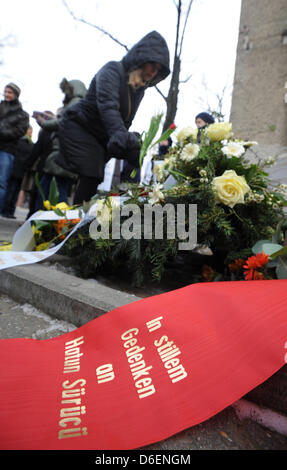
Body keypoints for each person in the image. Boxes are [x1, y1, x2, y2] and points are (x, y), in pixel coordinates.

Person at [56, 30, 170, 205]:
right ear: (142, 59)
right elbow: (108, 107)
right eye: (152, 65)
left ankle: (78, 220)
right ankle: (72, 222)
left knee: (94, 178)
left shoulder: (138, 89)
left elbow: (125, 122)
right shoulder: (112, 71)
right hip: (79, 127)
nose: (154, 72)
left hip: (100, 136)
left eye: (159, 69)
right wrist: (119, 135)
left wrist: (131, 145)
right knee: (91, 172)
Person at [33, 78, 87, 210]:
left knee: (54, 193)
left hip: (62, 156)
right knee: (51, 190)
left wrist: (42, 122)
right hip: (65, 156)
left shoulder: (76, 102)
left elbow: (62, 123)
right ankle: (46, 223)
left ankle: (54, 223)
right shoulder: (81, 104)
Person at [0, 82, 29, 215]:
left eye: (10, 92)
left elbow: (19, 132)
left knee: (2, 182)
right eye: (5, 91)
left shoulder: (22, 115)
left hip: (7, 151)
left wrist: (2, 132)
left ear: (16, 95)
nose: (6, 94)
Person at [1, 125, 34, 218]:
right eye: (29, 130)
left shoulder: (29, 142)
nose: (30, 132)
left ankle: (10, 210)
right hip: (17, 168)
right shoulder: (22, 141)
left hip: (22, 170)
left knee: (15, 190)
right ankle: (6, 210)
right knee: (11, 189)